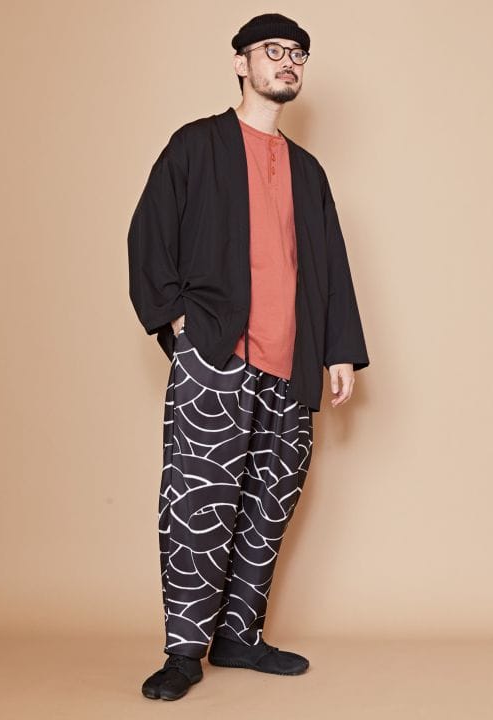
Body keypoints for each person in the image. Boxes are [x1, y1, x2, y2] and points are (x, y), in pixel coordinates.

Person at [127, 12, 370, 702]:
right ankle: (184, 651)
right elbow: (148, 233)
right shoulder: (196, 145)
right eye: (273, 51)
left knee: (270, 499)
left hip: (293, 360)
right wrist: (178, 319)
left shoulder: (308, 171)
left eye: (298, 54)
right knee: (198, 499)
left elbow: (330, 265)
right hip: (216, 352)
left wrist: (339, 351)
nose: (288, 62)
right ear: (241, 62)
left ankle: (240, 635)